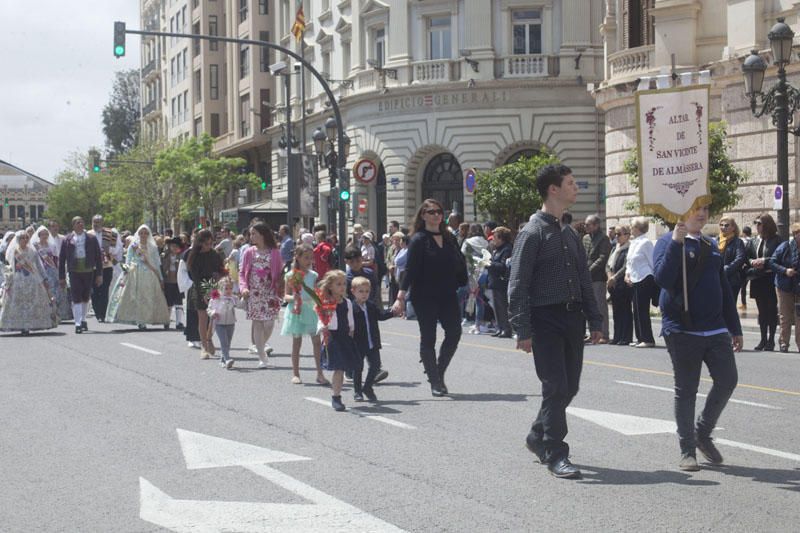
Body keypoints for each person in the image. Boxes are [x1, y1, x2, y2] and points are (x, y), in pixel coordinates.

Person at [508, 164, 602, 479]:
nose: (576, 187)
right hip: (544, 318)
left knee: (568, 387)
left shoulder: (569, 233)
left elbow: (584, 280)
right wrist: (522, 328)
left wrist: (595, 319)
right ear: (553, 189)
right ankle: (555, 453)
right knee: (555, 385)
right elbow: (518, 283)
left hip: (572, 318)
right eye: (571, 183)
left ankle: (537, 436)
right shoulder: (531, 232)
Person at [652, 205, 742, 472]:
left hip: (715, 329)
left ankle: (702, 431)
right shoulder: (667, 242)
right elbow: (662, 278)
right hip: (682, 329)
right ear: (679, 212)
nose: (701, 214)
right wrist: (677, 243)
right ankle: (687, 450)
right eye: (694, 209)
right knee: (686, 389)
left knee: (728, 380)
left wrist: (734, 326)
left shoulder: (710, 244)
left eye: (704, 208)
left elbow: (723, 286)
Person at [392, 199, 468, 396]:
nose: (436, 215)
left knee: (454, 332)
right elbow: (410, 270)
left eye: (439, 212)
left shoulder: (449, 237)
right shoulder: (418, 239)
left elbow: (459, 261)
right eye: (431, 212)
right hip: (424, 296)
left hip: (448, 293)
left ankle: (437, 371)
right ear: (423, 215)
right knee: (429, 338)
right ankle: (435, 382)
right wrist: (400, 296)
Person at [106, 225, 170, 329]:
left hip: (150, 273)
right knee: (137, 297)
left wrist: (161, 278)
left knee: (150, 297)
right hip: (135, 272)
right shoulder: (134, 245)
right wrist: (126, 270)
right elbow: (128, 259)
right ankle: (140, 320)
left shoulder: (152, 247)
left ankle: (157, 318)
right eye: (141, 233)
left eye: (146, 233)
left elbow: (156, 263)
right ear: (138, 234)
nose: (143, 235)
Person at [281, 244, 327, 385]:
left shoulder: (314, 275)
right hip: (296, 311)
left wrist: (321, 303)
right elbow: (286, 296)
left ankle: (320, 373)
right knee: (297, 342)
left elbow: (316, 293)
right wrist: (294, 298)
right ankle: (295, 373)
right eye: (306, 258)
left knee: (316, 342)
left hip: (310, 310)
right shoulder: (291, 275)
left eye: (311, 258)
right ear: (298, 258)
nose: (309, 261)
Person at [240, 222, 284, 368]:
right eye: (250, 234)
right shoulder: (249, 252)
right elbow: (242, 273)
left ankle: (260, 345)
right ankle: (261, 356)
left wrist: (280, 287)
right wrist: (244, 288)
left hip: (270, 292)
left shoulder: (275, 252)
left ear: (263, 234)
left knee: (270, 323)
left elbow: (279, 273)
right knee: (258, 323)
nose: (251, 236)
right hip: (254, 293)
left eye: (254, 233)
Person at [316, 270, 359, 411]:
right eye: (338, 284)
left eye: (344, 284)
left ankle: (339, 394)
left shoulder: (347, 302)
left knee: (344, 367)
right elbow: (321, 319)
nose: (342, 287)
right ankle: (336, 397)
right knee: (339, 368)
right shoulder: (325, 303)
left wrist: (351, 332)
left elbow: (350, 321)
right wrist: (323, 327)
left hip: (344, 337)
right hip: (333, 338)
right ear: (330, 286)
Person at [0, 231, 58, 335]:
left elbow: (38, 265)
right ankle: (17, 324)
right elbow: (10, 265)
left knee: (33, 301)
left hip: (32, 279)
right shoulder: (15, 251)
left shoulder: (32, 250)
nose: (25, 240)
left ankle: (31, 324)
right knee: (17, 302)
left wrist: (44, 278)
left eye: (27, 238)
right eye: (23, 238)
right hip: (18, 280)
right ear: (18, 240)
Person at [351, 276, 394, 402]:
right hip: (358, 343)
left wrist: (392, 312)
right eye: (361, 291)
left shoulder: (371, 306)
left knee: (375, 365)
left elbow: (380, 316)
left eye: (366, 291)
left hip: (372, 342)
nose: (364, 294)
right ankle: (357, 391)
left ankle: (368, 387)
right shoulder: (351, 308)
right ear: (353, 291)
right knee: (358, 368)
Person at [59, 216, 103, 334]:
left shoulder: (91, 238)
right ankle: (77, 323)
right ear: (73, 225)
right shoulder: (67, 239)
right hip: (74, 271)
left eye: (82, 222)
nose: (80, 225)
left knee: (85, 296)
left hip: (88, 270)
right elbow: (62, 259)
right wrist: (62, 277)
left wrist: (99, 274)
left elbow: (99, 257)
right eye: (78, 223)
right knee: (76, 296)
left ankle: (83, 320)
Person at [187, 229, 226, 358]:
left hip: (213, 286)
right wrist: (204, 293)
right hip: (199, 287)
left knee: (213, 318)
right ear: (200, 243)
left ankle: (209, 339)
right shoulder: (194, 256)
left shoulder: (214, 255)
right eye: (207, 244)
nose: (209, 246)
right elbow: (194, 278)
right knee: (203, 317)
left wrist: (220, 277)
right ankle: (204, 345)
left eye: (211, 243)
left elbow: (221, 269)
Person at [745, 214, 781, 351]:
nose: (757, 226)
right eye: (756, 224)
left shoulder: (777, 240)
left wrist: (764, 261)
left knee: (771, 310)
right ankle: (763, 339)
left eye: (760, 223)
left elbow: (778, 256)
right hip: (757, 279)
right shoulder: (754, 241)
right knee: (762, 311)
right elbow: (746, 256)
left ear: (767, 225)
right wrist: (751, 262)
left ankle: (771, 340)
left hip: (770, 279)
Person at [625, 217, 657, 348]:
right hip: (634, 278)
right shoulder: (633, 242)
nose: (630, 229)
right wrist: (627, 274)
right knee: (636, 309)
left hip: (644, 277)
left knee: (642, 309)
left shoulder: (645, 243)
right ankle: (640, 337)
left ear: (638, 228)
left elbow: (652, 261)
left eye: (632, 226)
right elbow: (629, 261)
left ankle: (647, 338)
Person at [769, 222, 800, 352]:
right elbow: (772, 262)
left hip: (798, 286)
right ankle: (783, 343)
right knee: (785, 315)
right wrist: (785, 270)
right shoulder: (785, 246)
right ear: (795, 235)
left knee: (799, 317)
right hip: (784, 286)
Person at [31, 225, 72, 322]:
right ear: (39, 235)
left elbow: (56, 257)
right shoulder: (35, 245)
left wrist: (58, 269)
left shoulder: (51, 245)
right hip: (41, 270)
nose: (45, 236)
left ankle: (60, 313)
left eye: (46, 234)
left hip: (52, 270)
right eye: (43, 234)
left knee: (58, 291)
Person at [88, 215, 123, 323]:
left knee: (104, 289)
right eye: (94, 222)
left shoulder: (110, 234)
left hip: (106, 265)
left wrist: (110, 250)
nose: (96, 224)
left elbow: (118, 248)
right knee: (94, 291)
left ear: (102, 222)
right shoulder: (88, 234)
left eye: (98, 222)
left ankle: (102, 314)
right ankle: (97, 311)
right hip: (92, 267)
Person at [583, 214, 612, 343]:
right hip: (586, 277)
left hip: (598, 277)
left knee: (600, 306)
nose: (586, 226)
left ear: (596, 225)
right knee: (588, 306)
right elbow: (583, 255)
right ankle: (592, 332)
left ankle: (604, 334)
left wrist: (589, 270)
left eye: (588, 224)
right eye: (585, 224)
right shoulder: (585, 238)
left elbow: (602, 257)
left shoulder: (604, 239)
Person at [462, 223, 490, 334]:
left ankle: (469, 320)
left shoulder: (468, 242)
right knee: (480, 299)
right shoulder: (486, 242)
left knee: (469, 295)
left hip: (471, 272)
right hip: (483, 272)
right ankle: (478, 324)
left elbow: (462, 255)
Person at [607, 225, 633, 345]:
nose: (616, 237)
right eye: (616, 234)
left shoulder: (629, 248)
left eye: (619, 234)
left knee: (625, 310)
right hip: (613, 284)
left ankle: (626, 337)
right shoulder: (614, 248)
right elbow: (608, 264)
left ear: (627, 235)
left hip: (622, 284)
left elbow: (625, 266)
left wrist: (614, 277)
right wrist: (609, 277)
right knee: (616, 311)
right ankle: (617, 336)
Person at [487, 226, 513, 338]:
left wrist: (489, 264)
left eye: (495, 237)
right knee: (497, 307)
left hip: (501, 282)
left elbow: (503, 266)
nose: (493, 239)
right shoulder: (496, 249)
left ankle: (506, 329)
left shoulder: (507, 249)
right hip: (494, 281)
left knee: (502, 306)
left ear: (501, 238)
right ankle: (500, 327)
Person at [207, 277, 237, 369]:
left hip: (231, 323)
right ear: (220, 288)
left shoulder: (233, 298)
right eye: (226, 288)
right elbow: (209, 309)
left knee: (228, 342)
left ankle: (222, 360)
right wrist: (213, 313)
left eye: (231, 288)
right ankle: (227, 359)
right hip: (219, 323)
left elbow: (241, 305)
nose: (229, 291)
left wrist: (245, 298)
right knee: (224, 342)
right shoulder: (216, 298)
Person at [161, 237, 186, 330]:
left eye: (176, 246)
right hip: (168, 281)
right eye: (172, 246)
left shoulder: (182, 256)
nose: (174, 248)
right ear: (169, 246)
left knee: (179, 302)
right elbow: (162, 267)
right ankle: (166, 321)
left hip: (178, 281)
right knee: (168, 302)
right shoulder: (164, 255)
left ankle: (179, 322)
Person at [739, 225, 752, 310]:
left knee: (743, 287)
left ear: (743, 233)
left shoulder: (742, 241)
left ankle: (744, 304)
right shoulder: (753, 240)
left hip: (745, 266)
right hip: (752, 265)